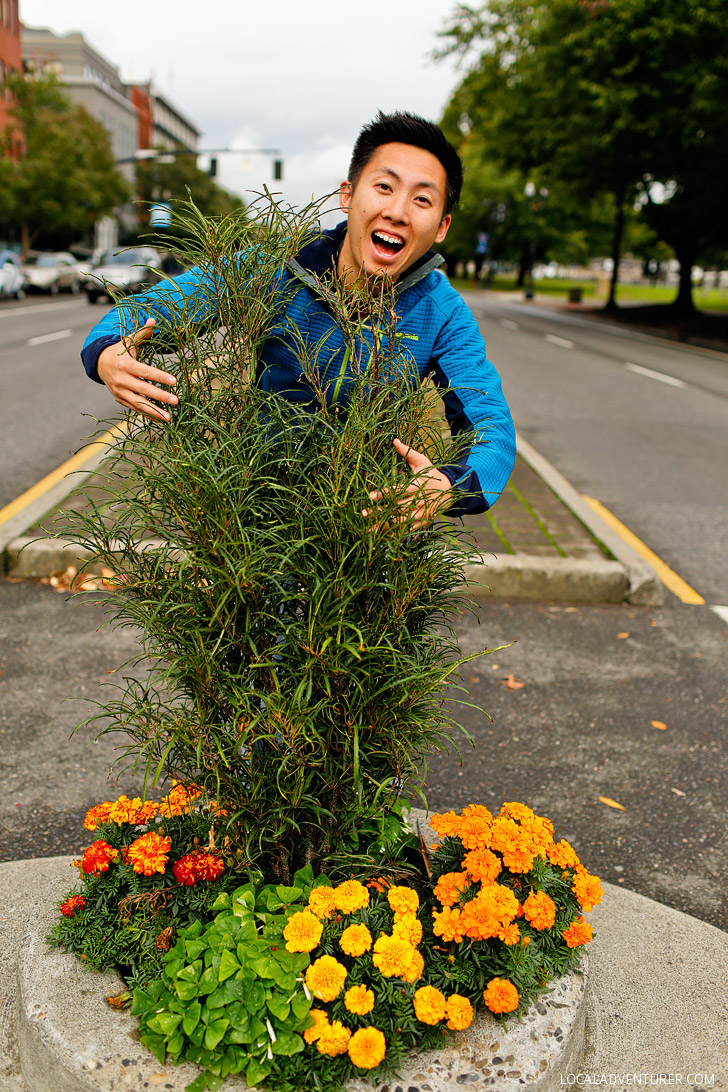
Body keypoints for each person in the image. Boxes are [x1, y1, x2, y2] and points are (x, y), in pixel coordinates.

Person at [81, 110, 515, 522]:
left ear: (441, 226)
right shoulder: (276, 266)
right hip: (253, 521)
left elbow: (490, 425)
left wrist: (445, 484)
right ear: (347, 195)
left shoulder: (441, 313)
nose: (398, 211)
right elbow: (154, 307)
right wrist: (105, 355)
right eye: (384, 187)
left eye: (422, 199)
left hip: (361, 530)